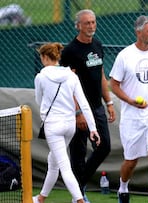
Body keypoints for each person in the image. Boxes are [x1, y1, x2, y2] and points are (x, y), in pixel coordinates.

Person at [109, 15, 148, 203]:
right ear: (138, 32)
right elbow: (114, 85)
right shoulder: (125, 56)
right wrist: (130, 100)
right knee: (131, 161)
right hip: (132, 117)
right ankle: (123, 187)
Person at [59, 9, 116, 203]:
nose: (91, 26)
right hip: (77, 110)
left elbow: (101, 76)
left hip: (97, 107)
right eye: (87, 23)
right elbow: (67, 84)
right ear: (78, 26)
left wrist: (108, 102)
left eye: (93, 22)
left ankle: (78, 183)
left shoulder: (98, 45)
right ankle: (79, 196)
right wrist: (77, 112)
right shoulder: (69, 52)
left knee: (104, 146)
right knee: (79, 152)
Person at [33, 42, 100, 203]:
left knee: (64, 166)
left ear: (44, 57)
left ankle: (79, 200)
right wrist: (93, 129)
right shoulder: (72, 75)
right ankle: (41, 198)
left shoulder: (40, 77)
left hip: (53, 126)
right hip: (70, 126)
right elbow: (83, 103)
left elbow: (39, 100)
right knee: (53, 161)